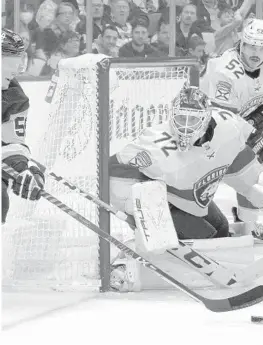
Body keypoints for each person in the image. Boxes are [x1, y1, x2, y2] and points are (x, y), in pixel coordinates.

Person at [109, 85, 263, 290]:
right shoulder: (155, 145)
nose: (186, 127)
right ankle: (124, 267)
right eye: (181, 118)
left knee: (221, 230)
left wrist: (251, 192)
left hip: (185, 197)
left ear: (206, 118)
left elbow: (234, 160)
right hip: (155, 199)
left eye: (193, 119)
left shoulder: (228, 127)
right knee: (205, 236)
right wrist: (138, 208)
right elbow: (113, 168)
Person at [2, 29, 45, 224]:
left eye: (20, 60)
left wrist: (22, 168)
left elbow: (11, 144)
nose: (17, 69)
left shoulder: (14, 97)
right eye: (10, 59)